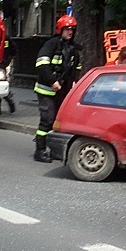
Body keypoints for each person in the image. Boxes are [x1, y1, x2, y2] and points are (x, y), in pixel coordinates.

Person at [33, 15, 83, 163]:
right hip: (46, 90)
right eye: (67, 29)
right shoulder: (51, 44)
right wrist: (52, 81)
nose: (70, 32)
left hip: (63, 91)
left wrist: (74, 81)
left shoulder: (73, 48)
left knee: (58, 121)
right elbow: (41, 65)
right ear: (60, 29)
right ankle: (39, 150)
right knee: (47, 120)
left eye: (72, 29)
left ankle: (53, 149)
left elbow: (76, 68)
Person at [0, 38, 18, 115]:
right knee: (0, 84)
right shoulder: (6, 38)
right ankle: (8, 99)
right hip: (2, 64)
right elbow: (14, 50)